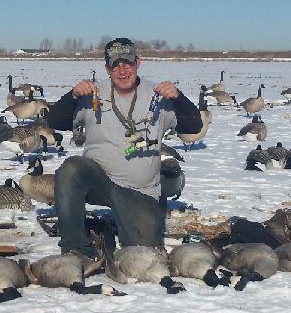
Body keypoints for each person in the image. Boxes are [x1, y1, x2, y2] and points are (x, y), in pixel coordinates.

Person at [43, 38, 203, 259]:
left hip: (140, 191)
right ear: (107, 68)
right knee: (70, 169)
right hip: (98, 182)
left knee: (143, 253)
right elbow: (55, 122)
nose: (122, 70)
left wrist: (179, 98)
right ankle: (76, 248)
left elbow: (194, 126)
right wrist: (72, 96)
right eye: (115, 65)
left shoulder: (158, 96)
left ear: (138, 62)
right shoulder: (92, 95)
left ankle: (114, 225)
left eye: (127, 63)